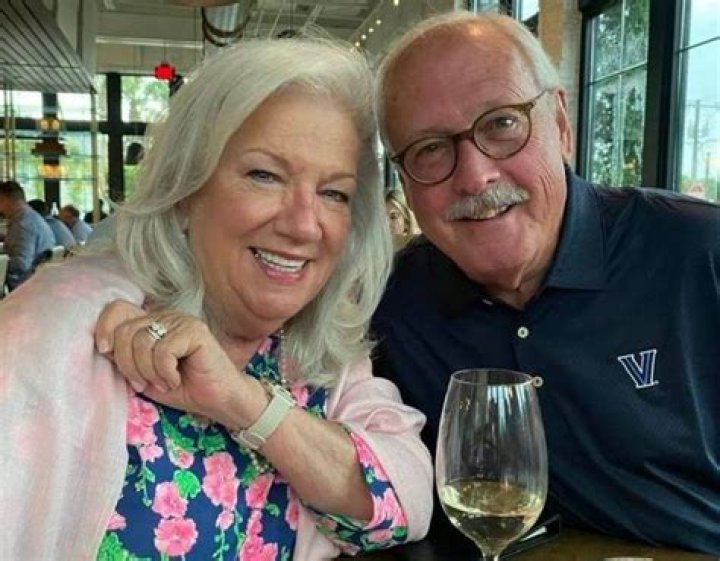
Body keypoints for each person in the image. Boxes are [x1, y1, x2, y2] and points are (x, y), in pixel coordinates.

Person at [0, 37, 432, 560]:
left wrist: (240, 400)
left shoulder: (316, 351)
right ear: (186, 190)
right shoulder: (58, 327)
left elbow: (404, 504)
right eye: (264, 176)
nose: (303, 225)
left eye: (333, 193)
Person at [371, 11, 720, 555]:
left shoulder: (697, 254)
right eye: (430, 149)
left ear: (560, 123)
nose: (476, 177)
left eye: (501, 124)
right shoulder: (391, 306)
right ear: (404, 182)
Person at [0, 180, 55, 290]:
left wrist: (2, 262)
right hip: (39, 284)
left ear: (5, 200)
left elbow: (21, 264)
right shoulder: (32, 218)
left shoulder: (22, 224)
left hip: (25, 288)